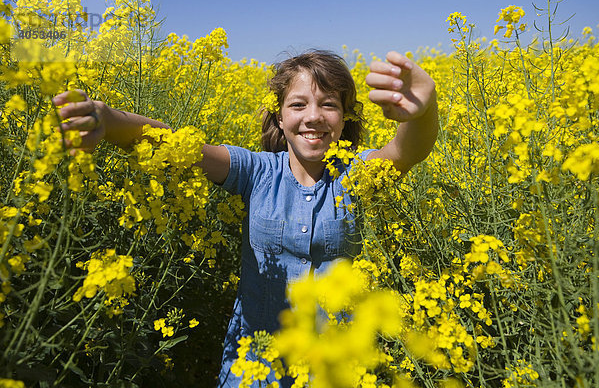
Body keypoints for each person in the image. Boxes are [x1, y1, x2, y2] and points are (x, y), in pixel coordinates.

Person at [52, 49, 438, 387]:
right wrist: (108, 119)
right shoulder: (256, 171)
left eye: (329, 105)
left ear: (343, 117)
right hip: (255, 366)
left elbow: (405, 151)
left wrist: (423, 110)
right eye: (298, 105)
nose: (314, 117)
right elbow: (174, 142)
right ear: (280, 116)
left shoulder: (355, 175)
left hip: (333, 366)